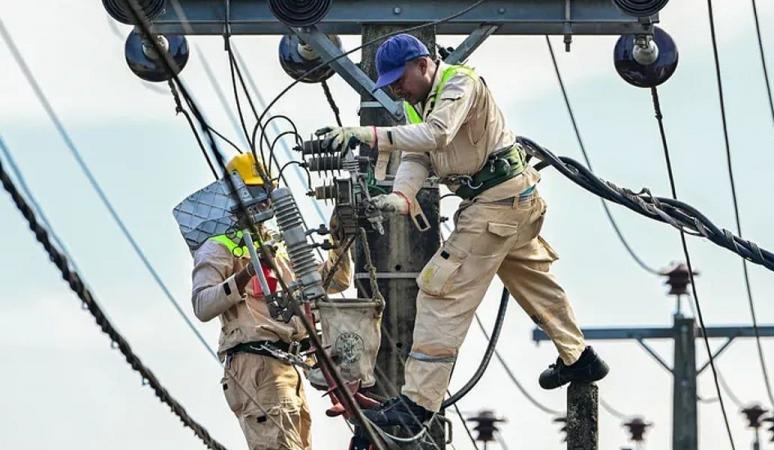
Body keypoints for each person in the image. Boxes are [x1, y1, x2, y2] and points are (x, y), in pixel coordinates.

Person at [317, 34, 609, 428]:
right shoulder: (421, 105)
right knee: (533, 281)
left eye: (398, 79)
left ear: (423, 65)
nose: (396, 89)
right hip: (506, 202)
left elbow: (437, 135)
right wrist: (401, 197)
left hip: (497, 204)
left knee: (440, 290)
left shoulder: (459, 83)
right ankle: (580, 358)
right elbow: (419, 154)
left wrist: (366, 134)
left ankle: (418, 405)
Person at [189, 154, 352, 449]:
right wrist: (247, 272)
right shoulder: (220, 247)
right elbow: (202, 305)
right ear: (234, 196)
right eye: (254, 193)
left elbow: (332, 281)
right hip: (256, 363)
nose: (262, 202)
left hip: (287, 364)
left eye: (264, 193)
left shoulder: (278, 245)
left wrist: (340, 241)